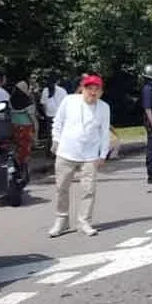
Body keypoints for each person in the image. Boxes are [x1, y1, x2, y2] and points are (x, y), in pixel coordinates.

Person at [49, 74, 111, 237]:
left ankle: (84, 221)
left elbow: (104, 132)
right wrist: (56, 140)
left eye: (96, 89)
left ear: (101, 92)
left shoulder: (104, 107)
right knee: (61, 188)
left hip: (90, 155)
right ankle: (61, 220)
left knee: (88, 190)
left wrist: (103, 154)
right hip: (66, 152)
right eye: (89, 88)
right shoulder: (69, 101)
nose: (92, 92)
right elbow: (58, 121)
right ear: (82, 89)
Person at [9, 80, 39, 181]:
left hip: (15, 127)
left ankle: (18, 168)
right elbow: (33, 118)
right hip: (26, 128)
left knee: (18, 148)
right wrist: (36, 131)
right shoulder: (28, 102)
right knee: (26, 150)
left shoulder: (11, 100)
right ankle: (24, 171)